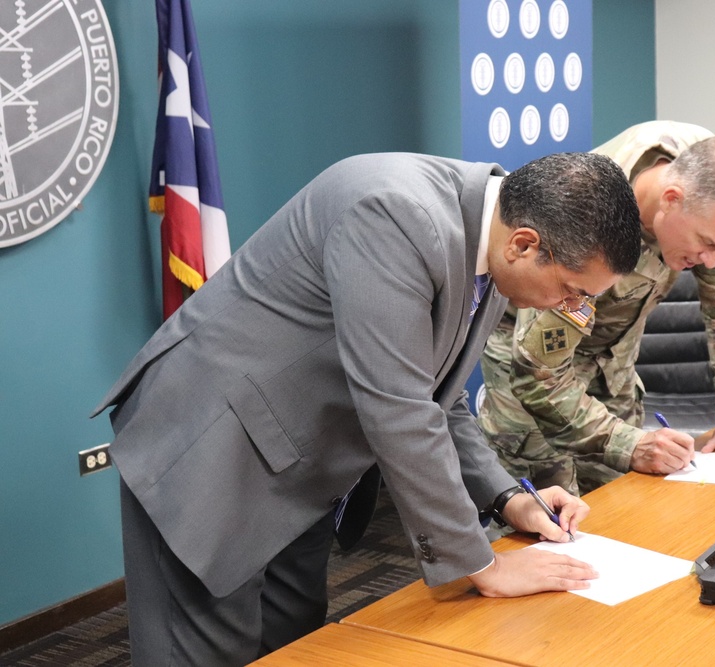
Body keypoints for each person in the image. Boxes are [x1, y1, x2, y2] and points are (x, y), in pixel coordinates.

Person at [91, 151, 642, 665]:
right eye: (572, 290)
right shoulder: (396, 213)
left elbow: (435, 395)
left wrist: (505, 499)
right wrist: (485, 565)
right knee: (210, 650)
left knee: (296, 642)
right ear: (525, 244)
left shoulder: (493, 246)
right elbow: (399, 408)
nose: (573, 308)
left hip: (300, 460)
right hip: (211, 448)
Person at [477, 121, 715, 497]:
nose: (711, 262)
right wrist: (627, 444)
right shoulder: (589, 219)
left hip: (613, 356)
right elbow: (539, 376)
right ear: (671, 199)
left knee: (624, 496)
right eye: (706, 245)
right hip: (530, 354)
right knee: (543, 505)